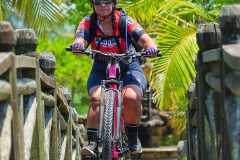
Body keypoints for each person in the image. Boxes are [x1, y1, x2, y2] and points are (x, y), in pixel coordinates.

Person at [71, 0, 159, 158]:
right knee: (96, 98)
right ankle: (92, 143)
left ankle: (132, 137)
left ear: (113, 4)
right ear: (93, 4)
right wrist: (78, 46)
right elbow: (80, 39)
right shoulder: (88, 22)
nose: (102, 5)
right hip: (100, 68)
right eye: (98, 1)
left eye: (107, 1)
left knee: (132, 97)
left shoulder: (124, 20)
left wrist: (151, 47)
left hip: (128, 67)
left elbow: (144, 38)